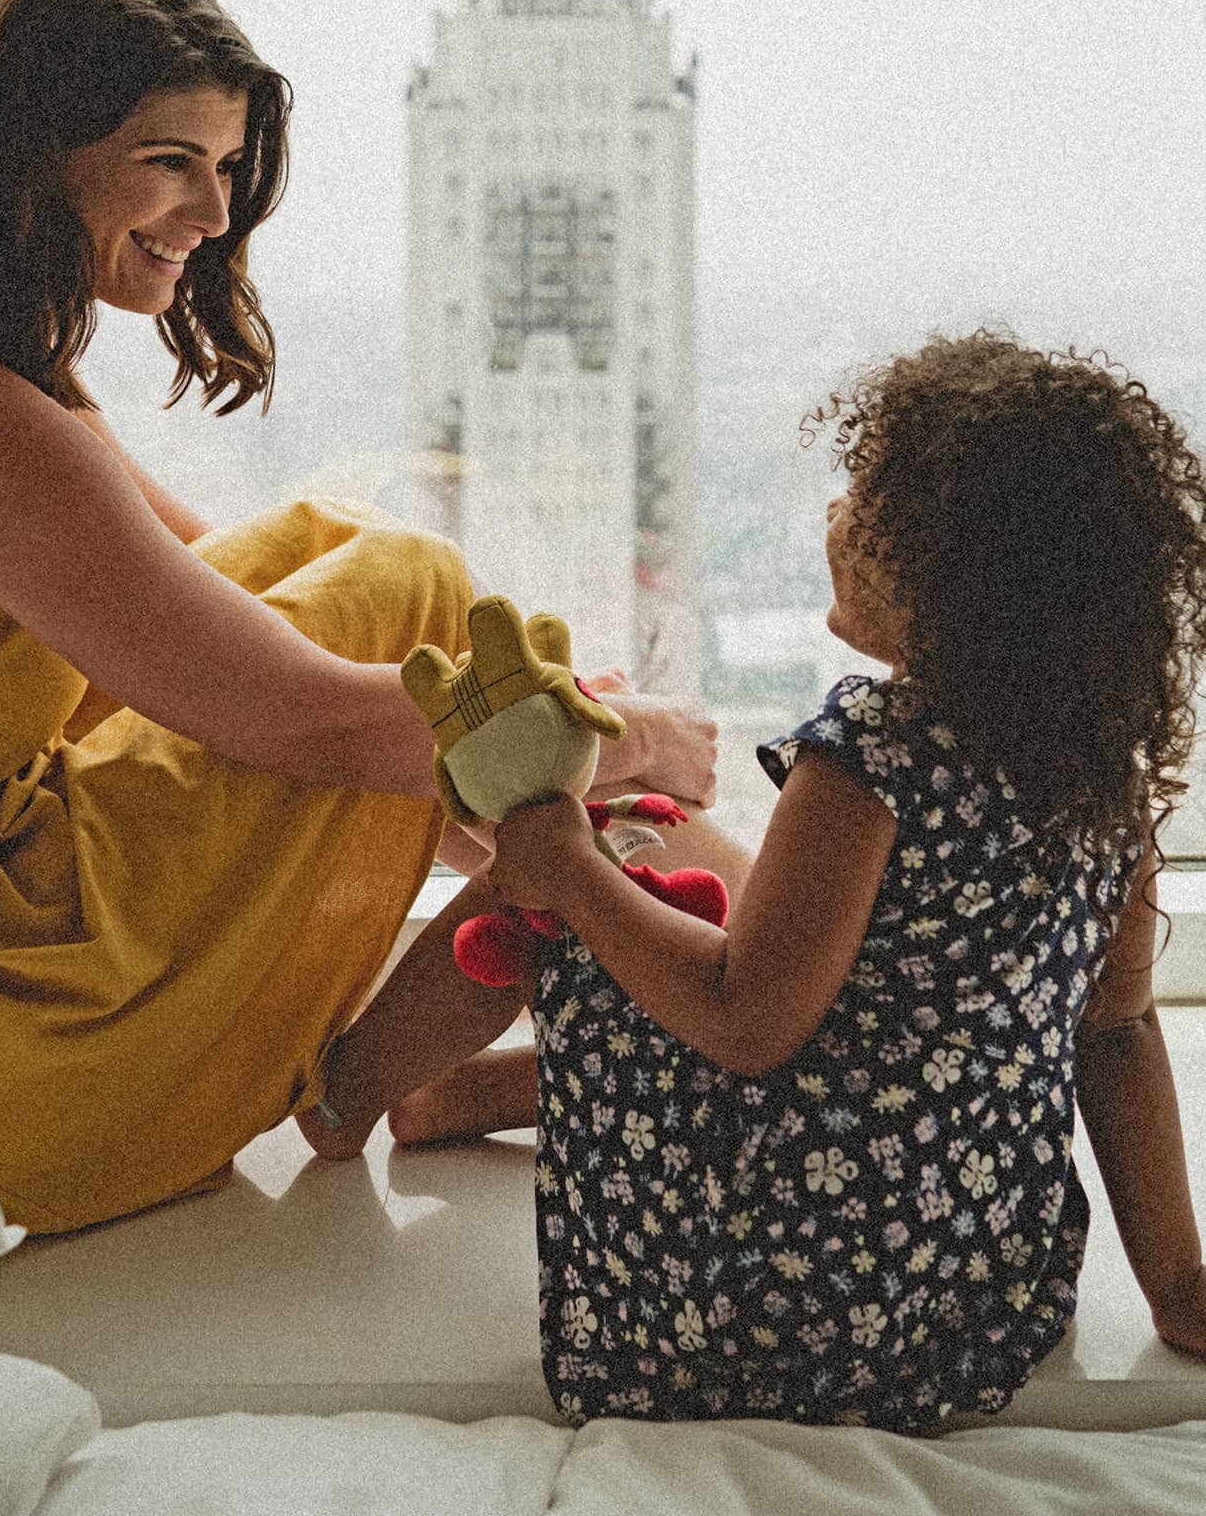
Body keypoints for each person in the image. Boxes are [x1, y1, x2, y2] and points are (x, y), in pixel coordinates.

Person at [0, 0, 716, 1234]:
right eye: (171, 162)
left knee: (346, 549)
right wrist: (625, 743)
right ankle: (759, 980)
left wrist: (502, 798)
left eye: (225, 170)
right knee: (410, 583)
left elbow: (222, 602)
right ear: (38, 154)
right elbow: (304, 716)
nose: (215, 216)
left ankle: (716, 970)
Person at [315, 330, 1206, 1432]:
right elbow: (1115, 1033)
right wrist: (1176, 1285)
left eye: (866, 500)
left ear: (945, 579)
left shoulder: (870, 757)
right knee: (682, 844)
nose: (838, 519)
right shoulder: (1101, 779)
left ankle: (340, 1096)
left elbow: (746, 1023)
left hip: (755, 1304)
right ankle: (473, 1094)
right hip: (964, 1303)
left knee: (601, 843)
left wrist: (570, 869)